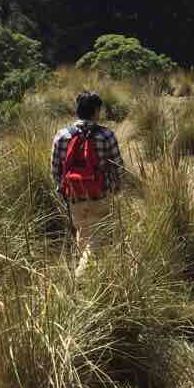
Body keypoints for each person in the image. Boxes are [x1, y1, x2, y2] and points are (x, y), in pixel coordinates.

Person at [50, 91, 124, 274]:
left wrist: (63, 190)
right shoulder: (106, 135)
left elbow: (55, 169)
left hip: (75, 196)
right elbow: (118, 167)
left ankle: (86, 277)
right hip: (100, 194)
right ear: (96, 111)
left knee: (82, 233)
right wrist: (116, 189)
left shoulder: (62, 136)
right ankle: (83, 276)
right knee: (97, 240)